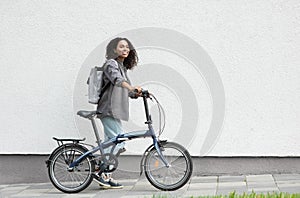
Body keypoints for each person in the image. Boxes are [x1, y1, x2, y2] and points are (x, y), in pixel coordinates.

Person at [93, 37, 141, 189]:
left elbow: (125, 88)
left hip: (115, 111)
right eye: (121, 47)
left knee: (111, 142)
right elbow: (117, 80)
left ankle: (105, 175)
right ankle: (102, 172)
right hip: (108, 109)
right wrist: (131, 88)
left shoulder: (122, 67)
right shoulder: (111, 64)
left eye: (127, 47)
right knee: (118, 141)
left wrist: (137, 93)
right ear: (114, 50)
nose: (125, 49)